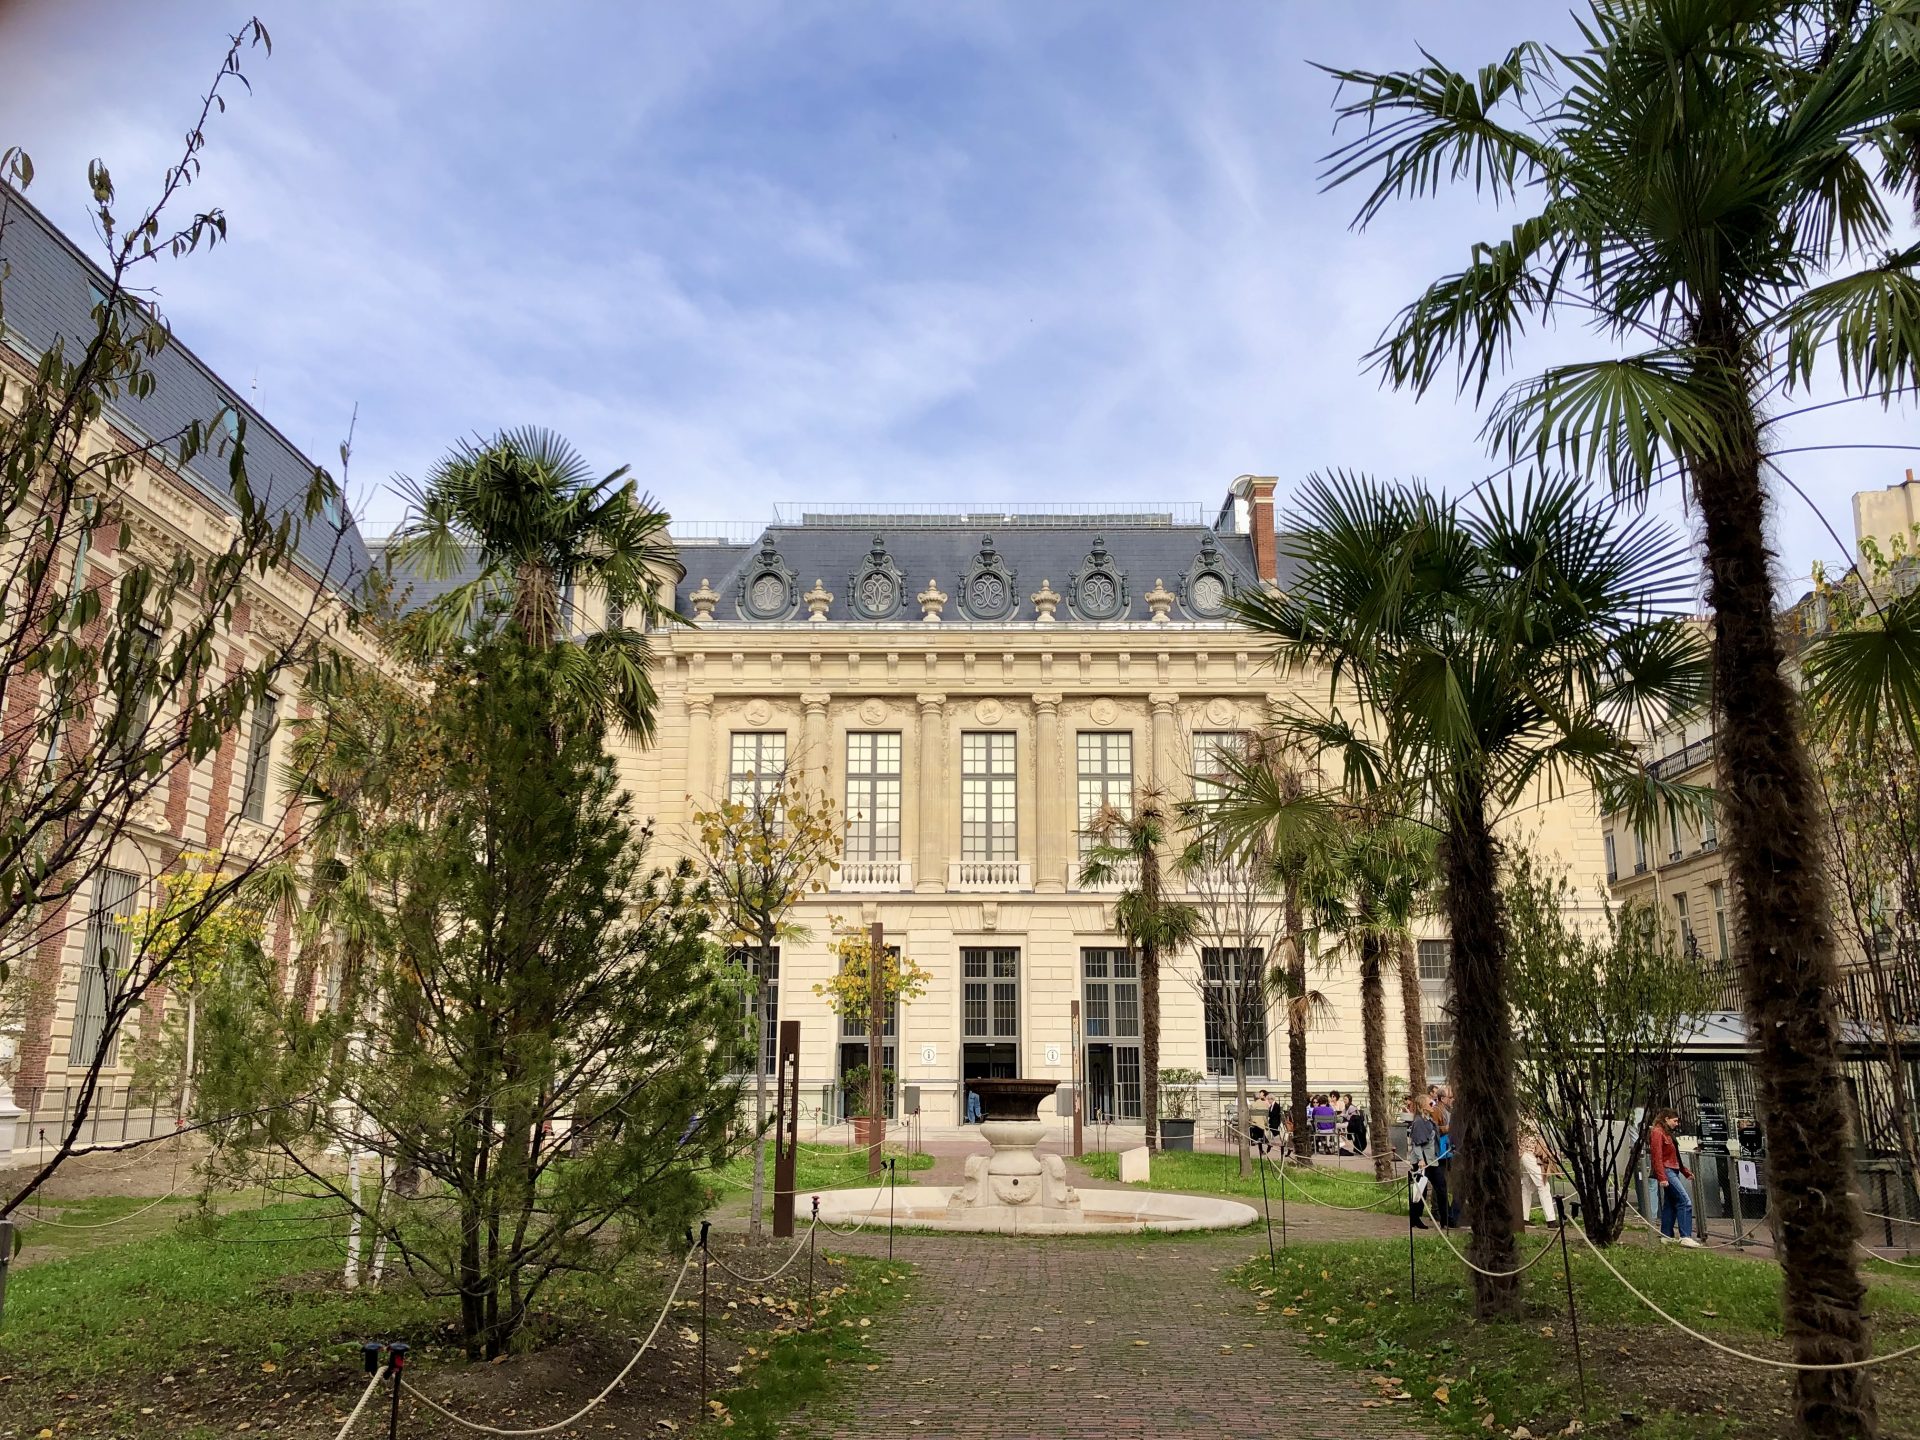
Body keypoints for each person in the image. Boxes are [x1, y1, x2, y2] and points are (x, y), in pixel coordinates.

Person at [1649, 1107, 1701, 1247]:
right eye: (1675, 1121)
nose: (1676, 1124)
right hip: (1667, 1170)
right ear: (1666, 1119)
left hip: (1673, 1169)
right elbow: (1657, 1156)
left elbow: (1675, 1156)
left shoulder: (1667, 1133)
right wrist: (1662, 1177)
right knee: (1685, 1201)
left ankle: (1666, 1234)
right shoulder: (1657, 1132)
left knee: (1670, 1204)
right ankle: (1685, 1236)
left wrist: (1685, 1171)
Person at [1518, 1112, 1557, 1224]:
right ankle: (1551, 1220)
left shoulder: (1526, 1120)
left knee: (1527, 1187)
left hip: (1527, 1154)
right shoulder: (1526, 1121)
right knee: (1543, 1184)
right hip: (1528, 1154)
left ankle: (1524, 1218)